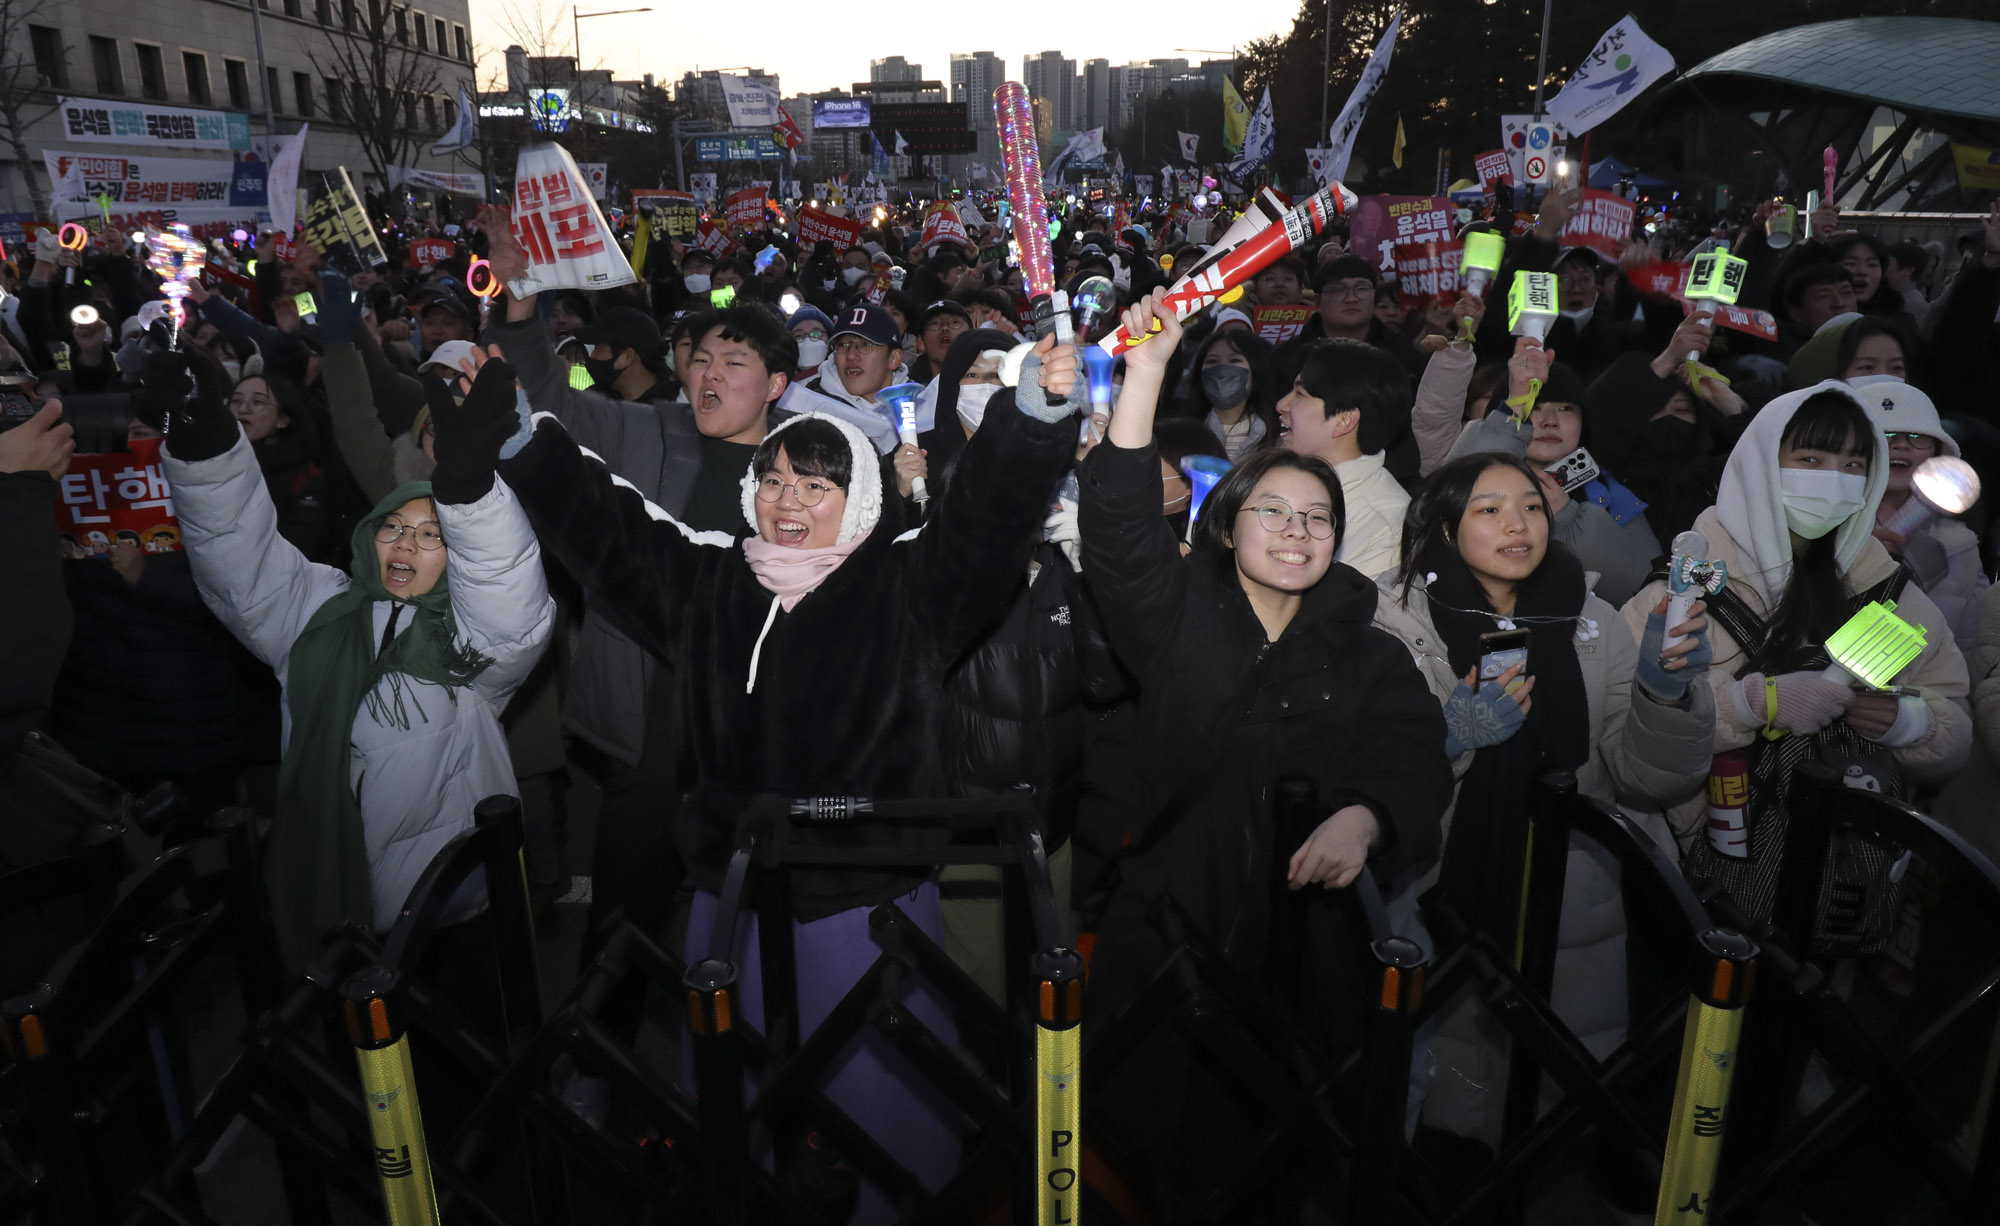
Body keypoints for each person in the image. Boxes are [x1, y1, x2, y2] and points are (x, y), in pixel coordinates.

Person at [443, 320, 1082, 1223]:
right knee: (743, 1113)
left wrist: (1036, 419)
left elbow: (985, 522)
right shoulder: (711, 578)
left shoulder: (906, 587)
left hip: (868, 907)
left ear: (857, 500)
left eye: (818, 486)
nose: (790, 501)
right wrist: (516, 432)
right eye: (775, 479)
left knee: (883, 1119)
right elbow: (607, 524)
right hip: (733, 897)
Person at [1078, 290, 1451, 1211]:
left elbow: (1411, 756)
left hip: (1302, 959)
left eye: (1317, 518)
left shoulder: (1370, 649)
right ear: (1227, 526)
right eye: (1273, 513)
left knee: (1272, 1169)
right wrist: (1151, 372)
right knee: (1148, 1160)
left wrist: (1365, 818)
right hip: (1164, 942)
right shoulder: (1174, 621)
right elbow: (1121, 529)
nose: (1296, 531)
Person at [152, 344, 554, 973]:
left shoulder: (469, 644)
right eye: (393, 527)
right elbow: (239, 557)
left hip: (444, 906)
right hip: (331, 896)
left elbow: (509, 594)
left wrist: (470, 488)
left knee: (460, 1051)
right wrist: (205, 440)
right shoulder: (316, 606)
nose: (406, 543)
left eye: (432, 535)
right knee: (349, 1057)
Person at [1372, 451, 1716, 1146]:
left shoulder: (1594, 622)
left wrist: (1665, 691)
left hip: (1572, 891)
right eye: (1489, 509)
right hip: (1438, 882)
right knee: (1434, 1120)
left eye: (1531, 506)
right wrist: (1452, 741)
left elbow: (1647, 778)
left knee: (1550, 1106)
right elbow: (1366, 768)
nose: (1518, 525)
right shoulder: (1388, 622)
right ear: (1441, 527)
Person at [1627, 382, 1971, 940]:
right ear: (1764, 461)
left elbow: (1954, 723)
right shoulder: (1688, 583)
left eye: (1853, 465)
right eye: (1809, 459)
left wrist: (1911, 721)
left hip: (1840, 881)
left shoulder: (1889, 590)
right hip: (1702, 872)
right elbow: (1629, 726)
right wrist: (1749, 704)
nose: (1833, 479)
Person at [1441, 340, 1664, 608]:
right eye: (1535, 407)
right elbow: (1445, 501)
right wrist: (1515, 402)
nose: (1551, 420)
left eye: (1566, 408)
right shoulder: (1477, 461)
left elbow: (1643, 591)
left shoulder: (1612, 496)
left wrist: (1567, 518)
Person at [1862, 382, 1988, 652]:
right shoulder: (1825, 530)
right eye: (1886, 434)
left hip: (1934, 690)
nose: (1901, 445)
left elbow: (1973, 644)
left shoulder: (1961, 543)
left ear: (1937, 451)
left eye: (1917, 436)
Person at [1276, 337, 1414, 578]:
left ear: (1344, 421)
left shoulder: (1386, 526)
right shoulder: (1274, 478)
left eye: (1299, 394)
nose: (1281, 405)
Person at [1183, 326, 1277, 461]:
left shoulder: (1277, 431)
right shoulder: (1183, 430)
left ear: (1256, 371)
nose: (1221, 369)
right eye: (1212, 361)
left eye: (1234, 360)